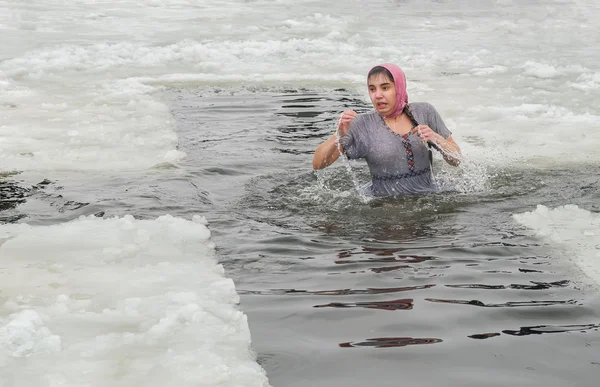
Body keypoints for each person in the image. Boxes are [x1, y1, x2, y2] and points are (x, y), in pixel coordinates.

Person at [312, 63, 461, 197]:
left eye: (385, 88)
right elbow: (318, 164)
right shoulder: (363, 124)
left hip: (428, 198)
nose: (377, 95)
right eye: (372, 89)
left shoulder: (424, 112)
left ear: (400, 88)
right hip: (384, 208)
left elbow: (457, 160)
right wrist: (338, 135)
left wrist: (436, 138)